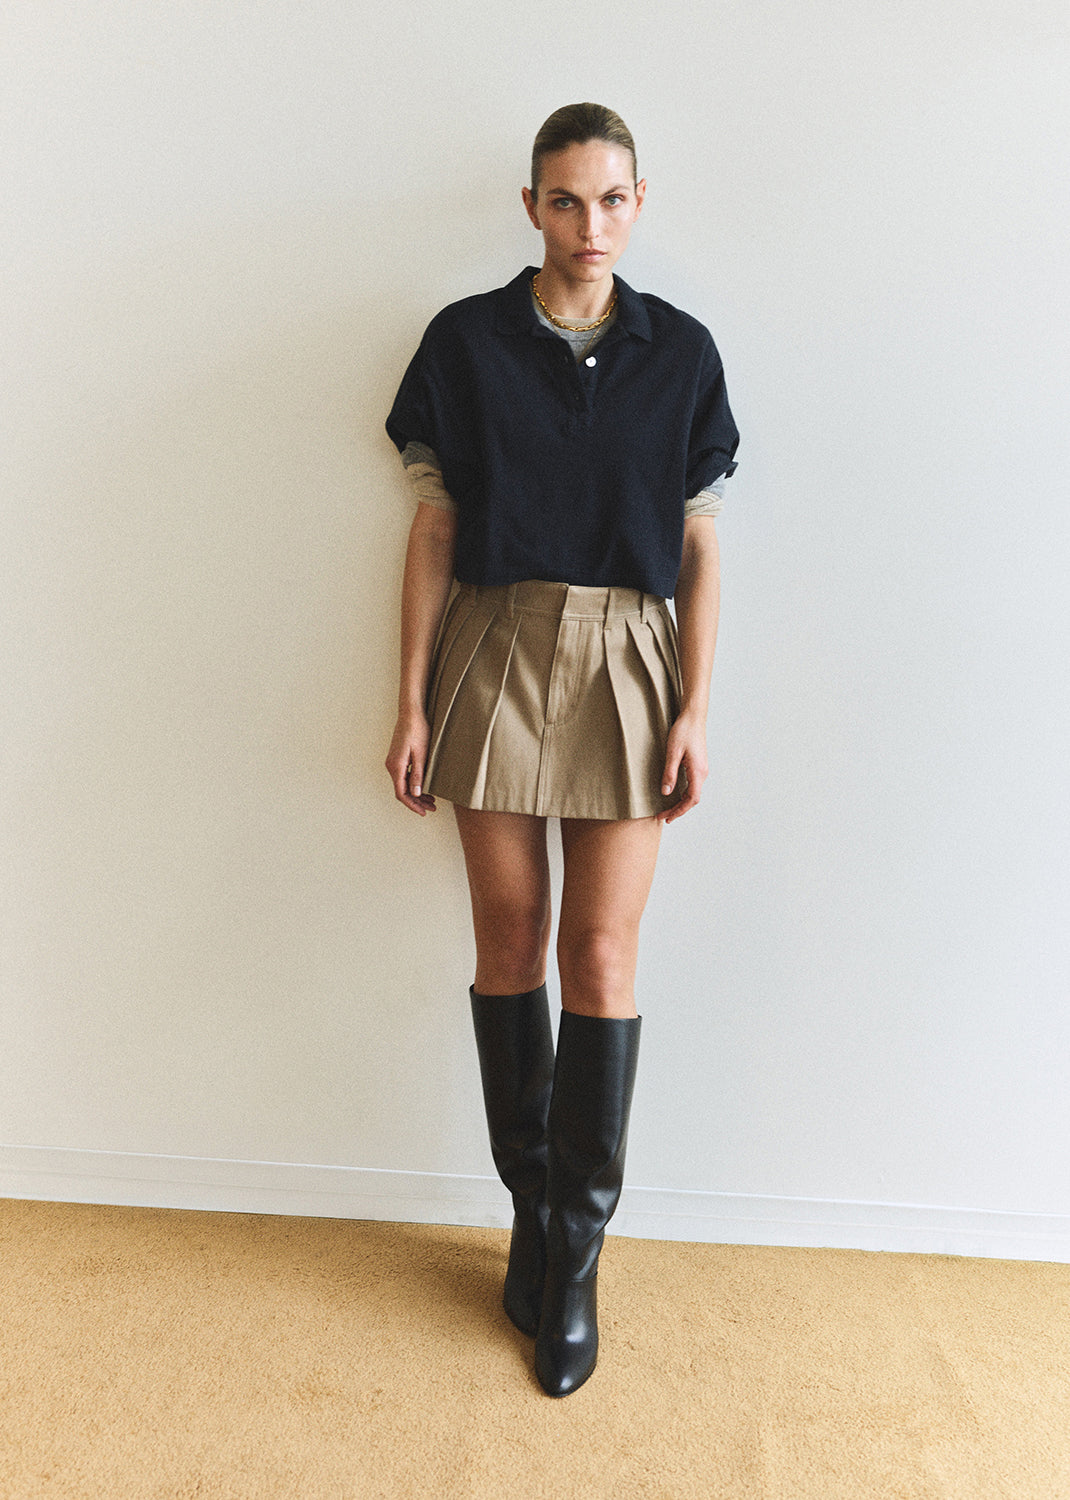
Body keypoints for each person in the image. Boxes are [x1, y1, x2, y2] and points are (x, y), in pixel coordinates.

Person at [384, 103, 738, 1397]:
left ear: (641, 201)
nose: (591, 226)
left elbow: (697, 545)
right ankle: (531, 1215)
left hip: (629, 662)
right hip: (492, 641)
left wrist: (693, 706)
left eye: (612, 200)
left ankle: (575, 1252)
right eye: (566, 201)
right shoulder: (464, 342)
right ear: (529, 206)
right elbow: (431, 530)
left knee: (600, 949)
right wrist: (414, 699)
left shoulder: (679, 354)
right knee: (505, 939)